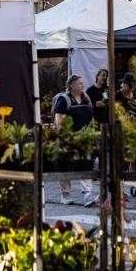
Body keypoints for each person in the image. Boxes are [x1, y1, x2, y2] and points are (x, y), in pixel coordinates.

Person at [53, 74, 96, 207]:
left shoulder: (85, 98)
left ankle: (87, 194)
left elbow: (91, 116)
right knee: (66, 166)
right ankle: (65, 194)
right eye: (79, 84)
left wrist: (92, 133)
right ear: (71, 85)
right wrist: (63, 137)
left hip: (84, 139)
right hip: (69, 138)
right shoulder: (64, 99)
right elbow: (58, 119)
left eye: (83, 83)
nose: (82, 86)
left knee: (86, 164)